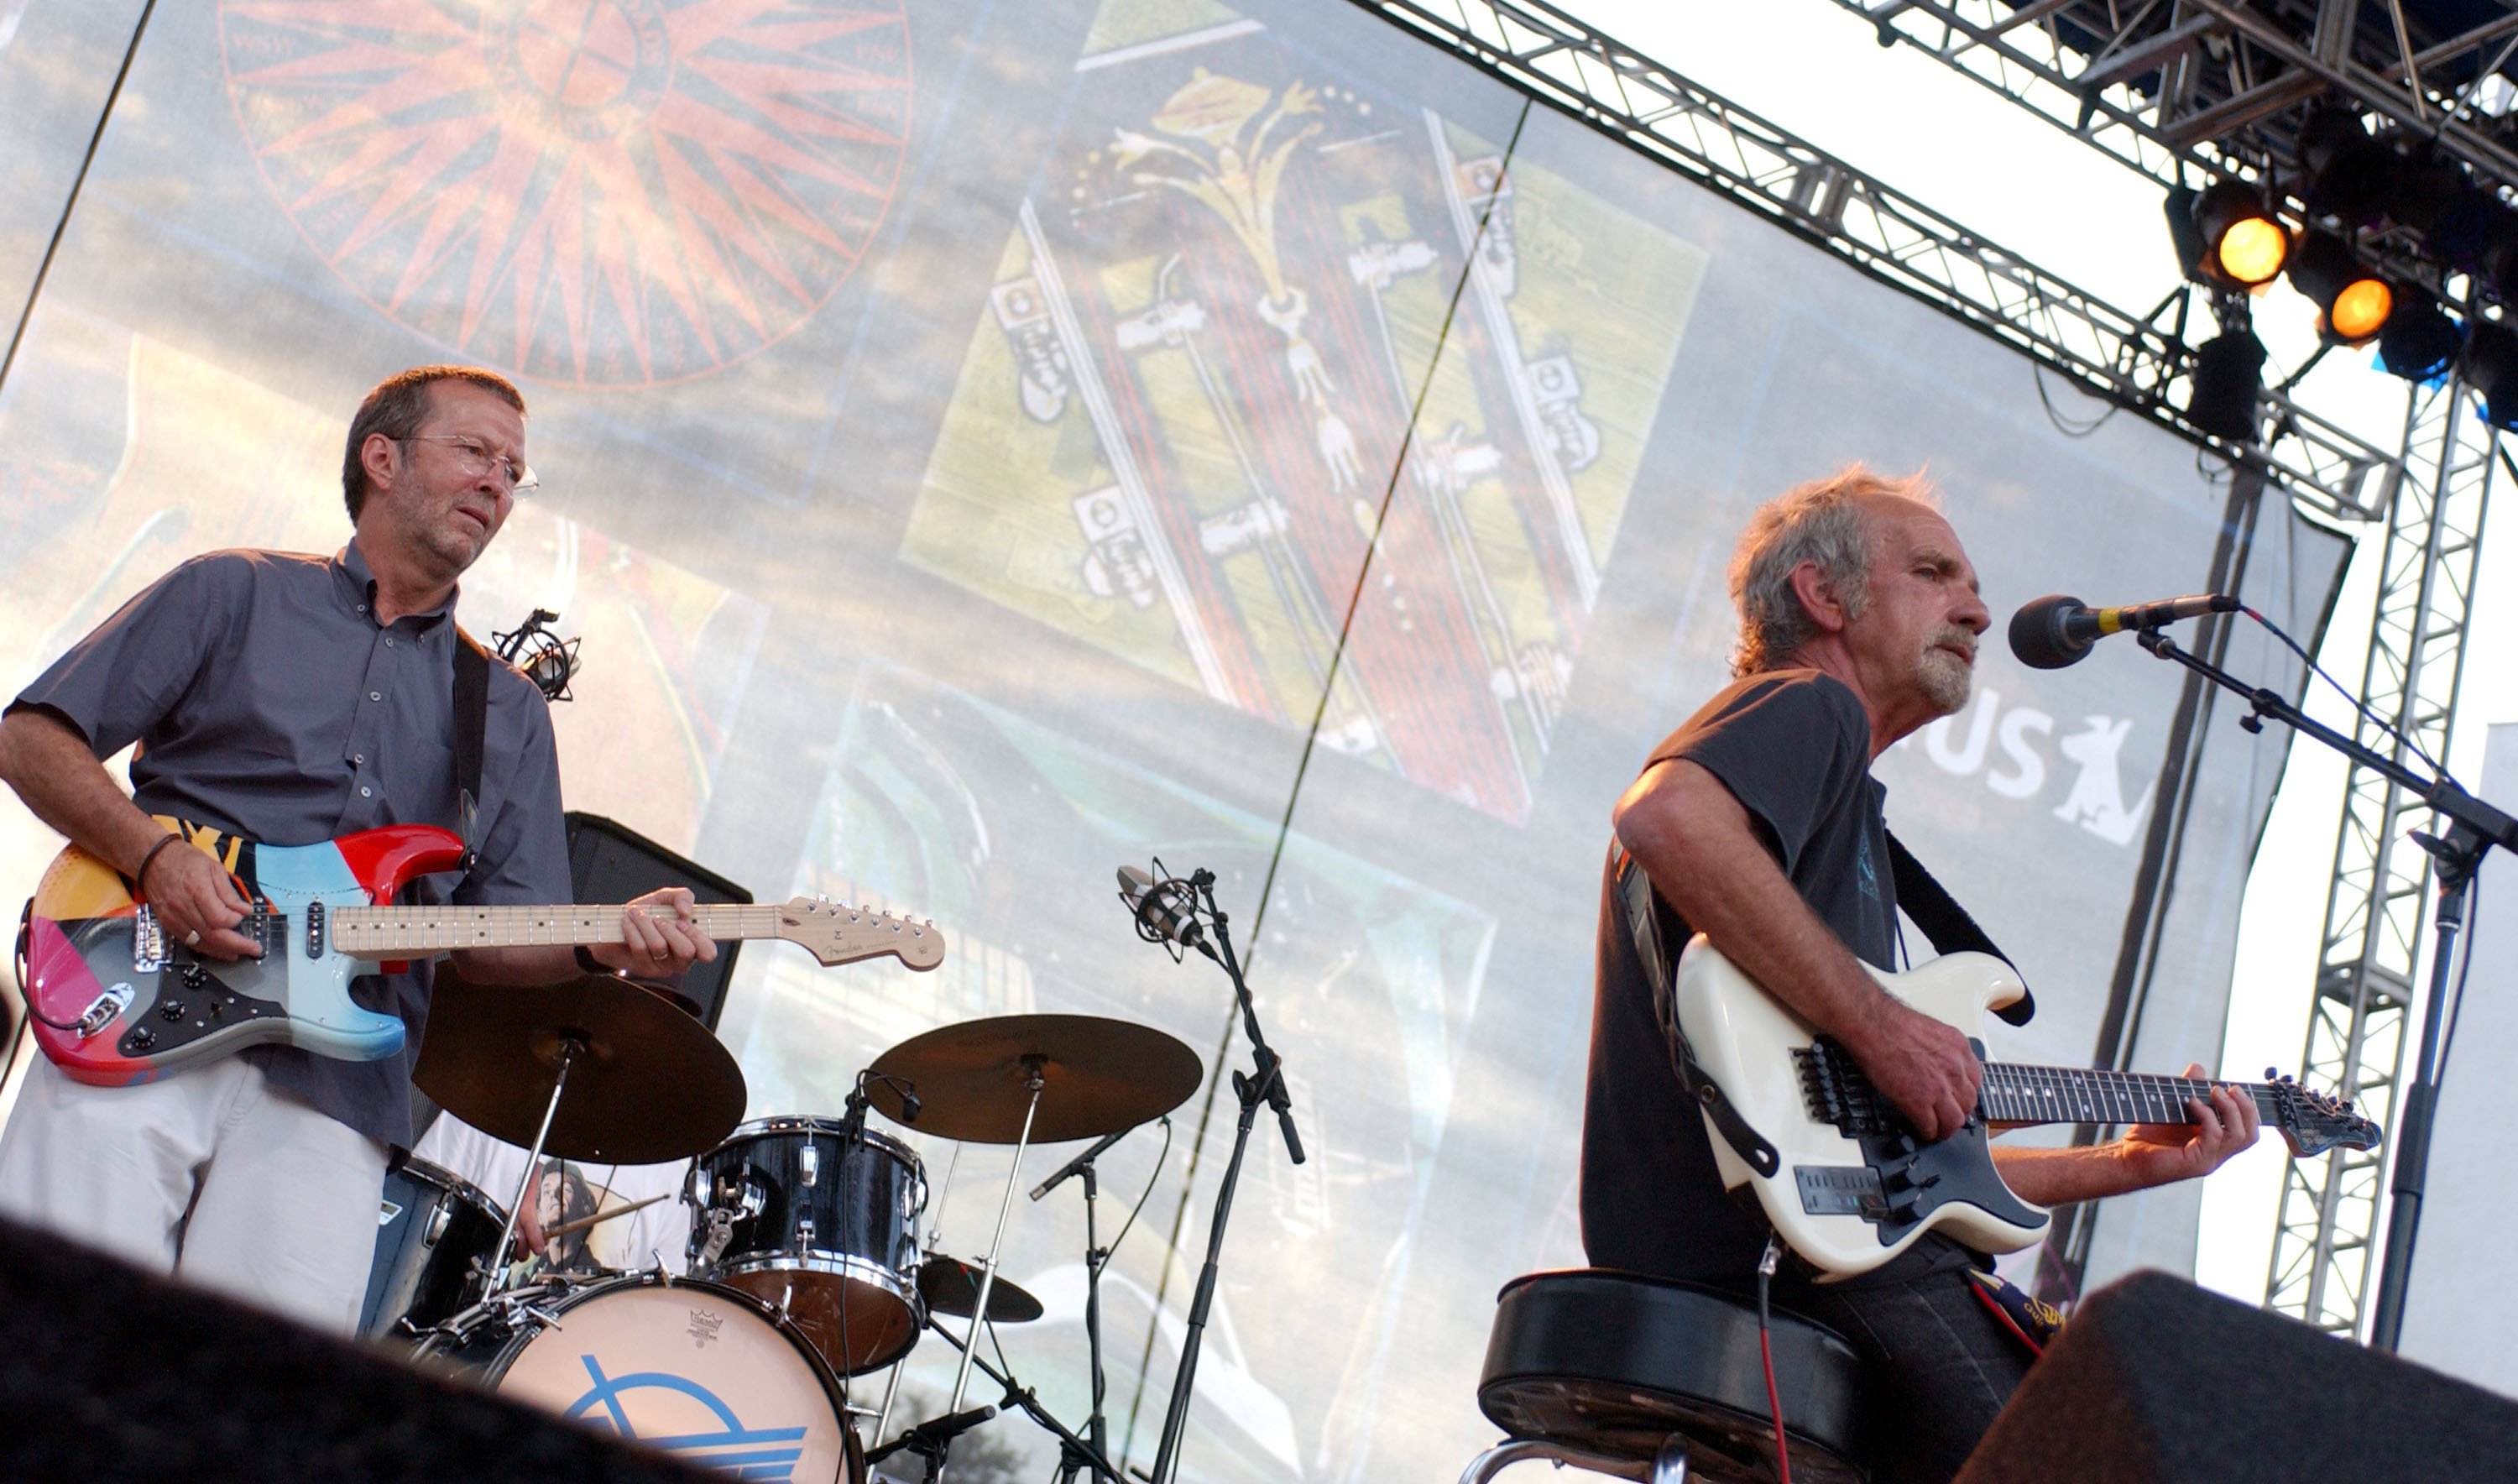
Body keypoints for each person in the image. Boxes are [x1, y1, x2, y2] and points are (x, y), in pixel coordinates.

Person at [0, 365, 717, 1334]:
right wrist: (154, 857)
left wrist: (606, 943)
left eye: (514, 471)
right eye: (474, 452)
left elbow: (494, 939)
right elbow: (32, 735)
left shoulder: (504, 712)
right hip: (132, 1009)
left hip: (335, 1093)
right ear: (382, 457)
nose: (497, 484)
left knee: (256, 1415)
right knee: (44, 1335)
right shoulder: (234, 590)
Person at [1581, 466, 2259, 1483]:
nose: (1979, 611)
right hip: (1782, 1266)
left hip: (1795, 1254)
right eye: (1935, 574)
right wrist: (1884, 1028)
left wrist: (2120, 1167)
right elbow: (1664, 815)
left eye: (1973, 585)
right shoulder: (1811, 706)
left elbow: (1891, 1179)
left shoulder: (1838, 802)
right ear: (1825, 595)